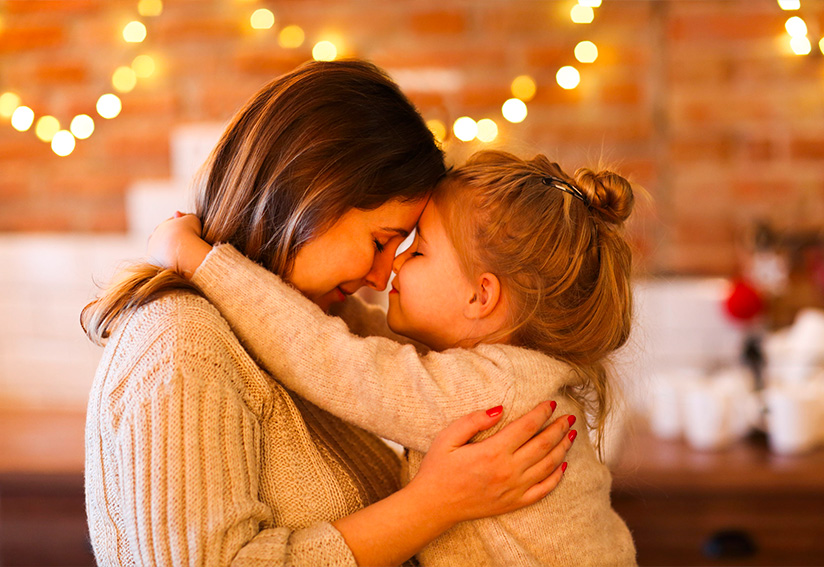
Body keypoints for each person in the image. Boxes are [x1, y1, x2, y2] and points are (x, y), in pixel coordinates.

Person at [81, 61, 574, 567]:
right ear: (314, 191)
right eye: (382, 241)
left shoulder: (303, 321)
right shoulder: (183, 346)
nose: (385, 277)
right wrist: (435, 503)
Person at [148, 149, 639, 566]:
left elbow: (333, 359)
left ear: (480, 296)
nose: (393, 266)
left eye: (416, 251)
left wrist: (201, 261)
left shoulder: (495, 391)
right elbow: (361, 344)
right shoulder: (501, 371)